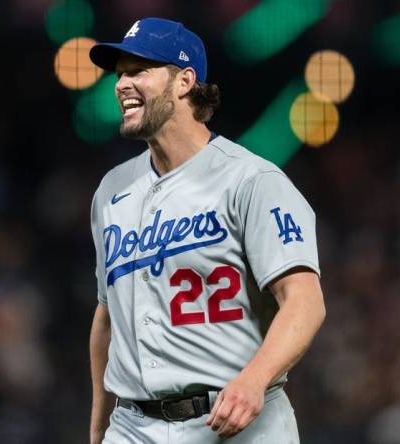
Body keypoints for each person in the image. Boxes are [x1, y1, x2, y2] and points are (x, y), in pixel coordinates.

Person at [87, 17, 326, 444]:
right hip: (133, 426)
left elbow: (305, 302)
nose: (121, 84)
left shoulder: (251, 181)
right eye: (119, 73)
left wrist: (255, 380)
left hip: (237, 422)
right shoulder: (111, 191)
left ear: (184, 81)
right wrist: (99, 426)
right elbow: (108, 319)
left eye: (138, 70)